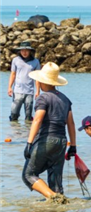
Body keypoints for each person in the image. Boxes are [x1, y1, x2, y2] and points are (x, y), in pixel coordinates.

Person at [21, 62, 75, 203]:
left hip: (46, 140)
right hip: (61, 141)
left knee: (28, 174)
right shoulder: (65, 99)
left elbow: (37, 119)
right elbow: (71, 123)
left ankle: (52, 197)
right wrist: (73, 146)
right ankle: (57, 204)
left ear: (43, 81)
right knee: (55, 179)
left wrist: (29, 142)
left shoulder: (43, 98)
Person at [8, 41, 41, 122]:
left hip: (29, 91)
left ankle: (27, 132)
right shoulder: (15, 60)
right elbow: (13, 74)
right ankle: (15, 132)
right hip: (17, 90)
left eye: (26, 50)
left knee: (28, 116)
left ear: (30, 51)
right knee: (14, 114)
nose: (24, 52)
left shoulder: (36, 61)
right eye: (22, 50)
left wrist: (38, 91)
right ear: (20, 51)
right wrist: (9, 87)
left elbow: (37, 77)